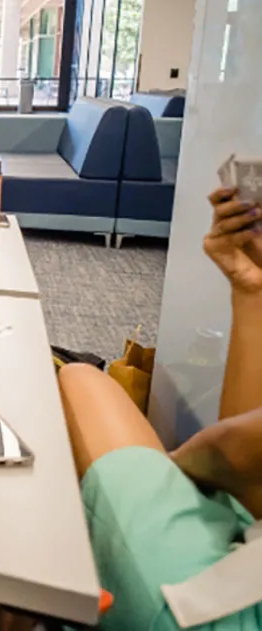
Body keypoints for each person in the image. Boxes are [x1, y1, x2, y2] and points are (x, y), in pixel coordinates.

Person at [54, 187, 262, 630]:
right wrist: (251, 291)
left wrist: (169, 467)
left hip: (211, 610)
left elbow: (235, 453)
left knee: (79, 378)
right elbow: (243, 476)